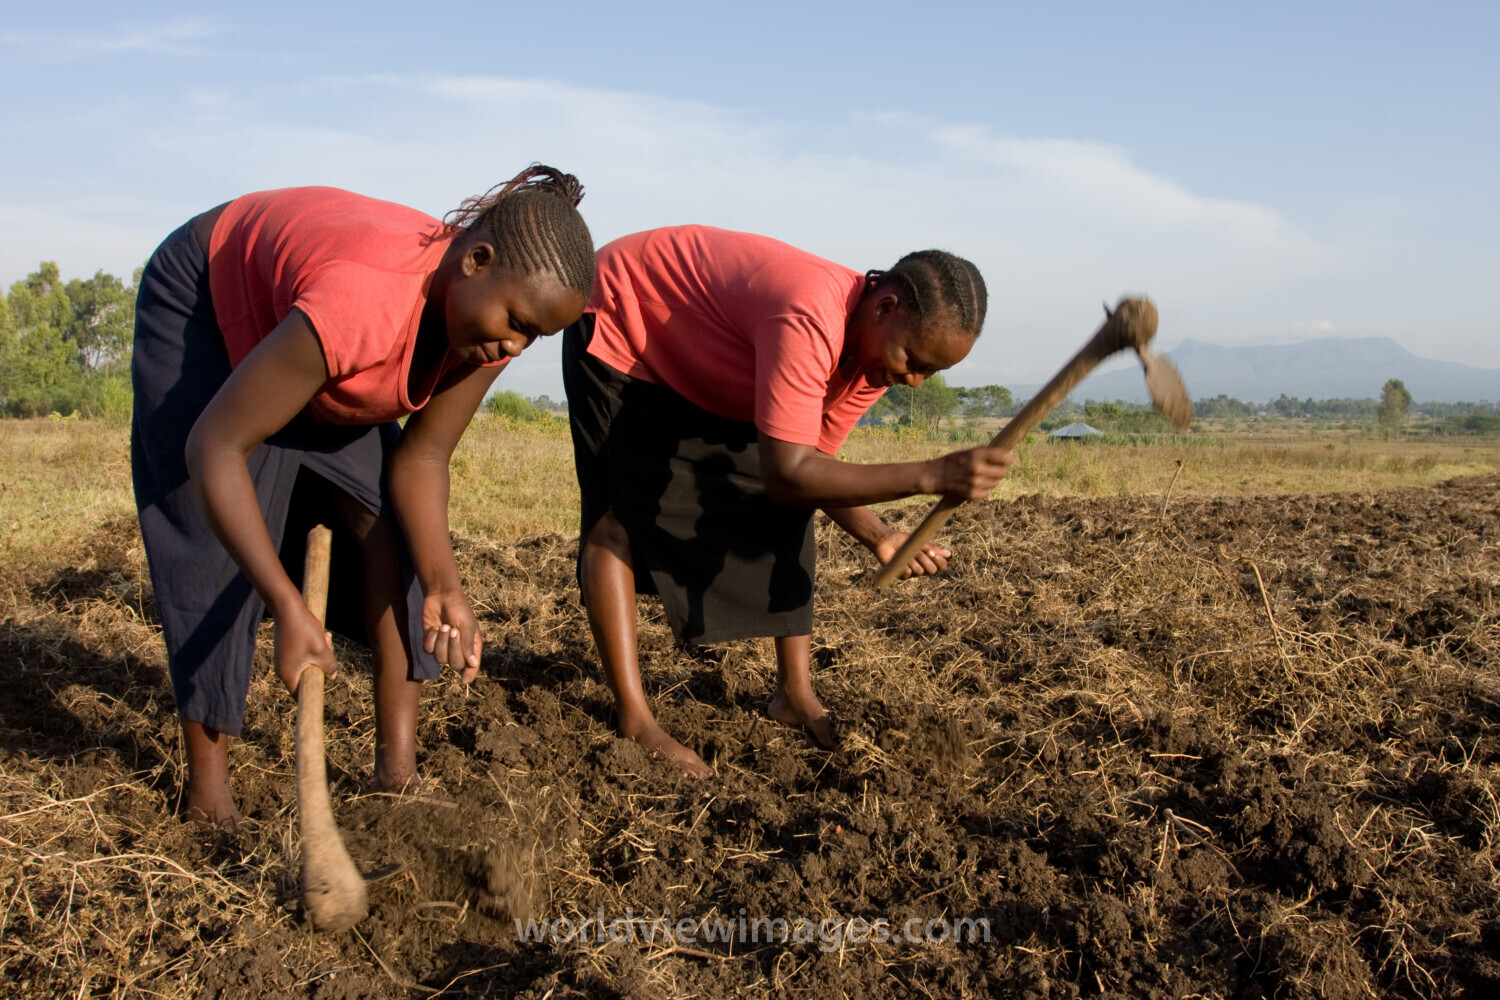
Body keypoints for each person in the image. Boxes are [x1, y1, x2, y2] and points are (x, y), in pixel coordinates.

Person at [132, 166, 595, 829]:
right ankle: (208, 798)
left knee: (391, 530)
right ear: (477, 260)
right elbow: (215, 447)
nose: (514, 345)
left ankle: (396, 777)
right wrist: (287, 606)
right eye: (517, 323)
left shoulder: (486, 331)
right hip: (209, 301)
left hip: (309, 331)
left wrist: (445, 584)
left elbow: (422, 459)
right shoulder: (365, 302)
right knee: (206, 542)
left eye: (533, 338)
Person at [563, 225, 1013, 778]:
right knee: (619, 517)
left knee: (793, 495)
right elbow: (789, 476)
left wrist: (881, 535)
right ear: (885, 306)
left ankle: (792, 694)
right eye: (915, 360)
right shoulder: (807, 313)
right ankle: (634, 718)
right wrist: (932, 474)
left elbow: (815, 471)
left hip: (704, 360)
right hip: (624, 324)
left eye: (932, 371)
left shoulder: (872, 360)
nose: (915, 380)